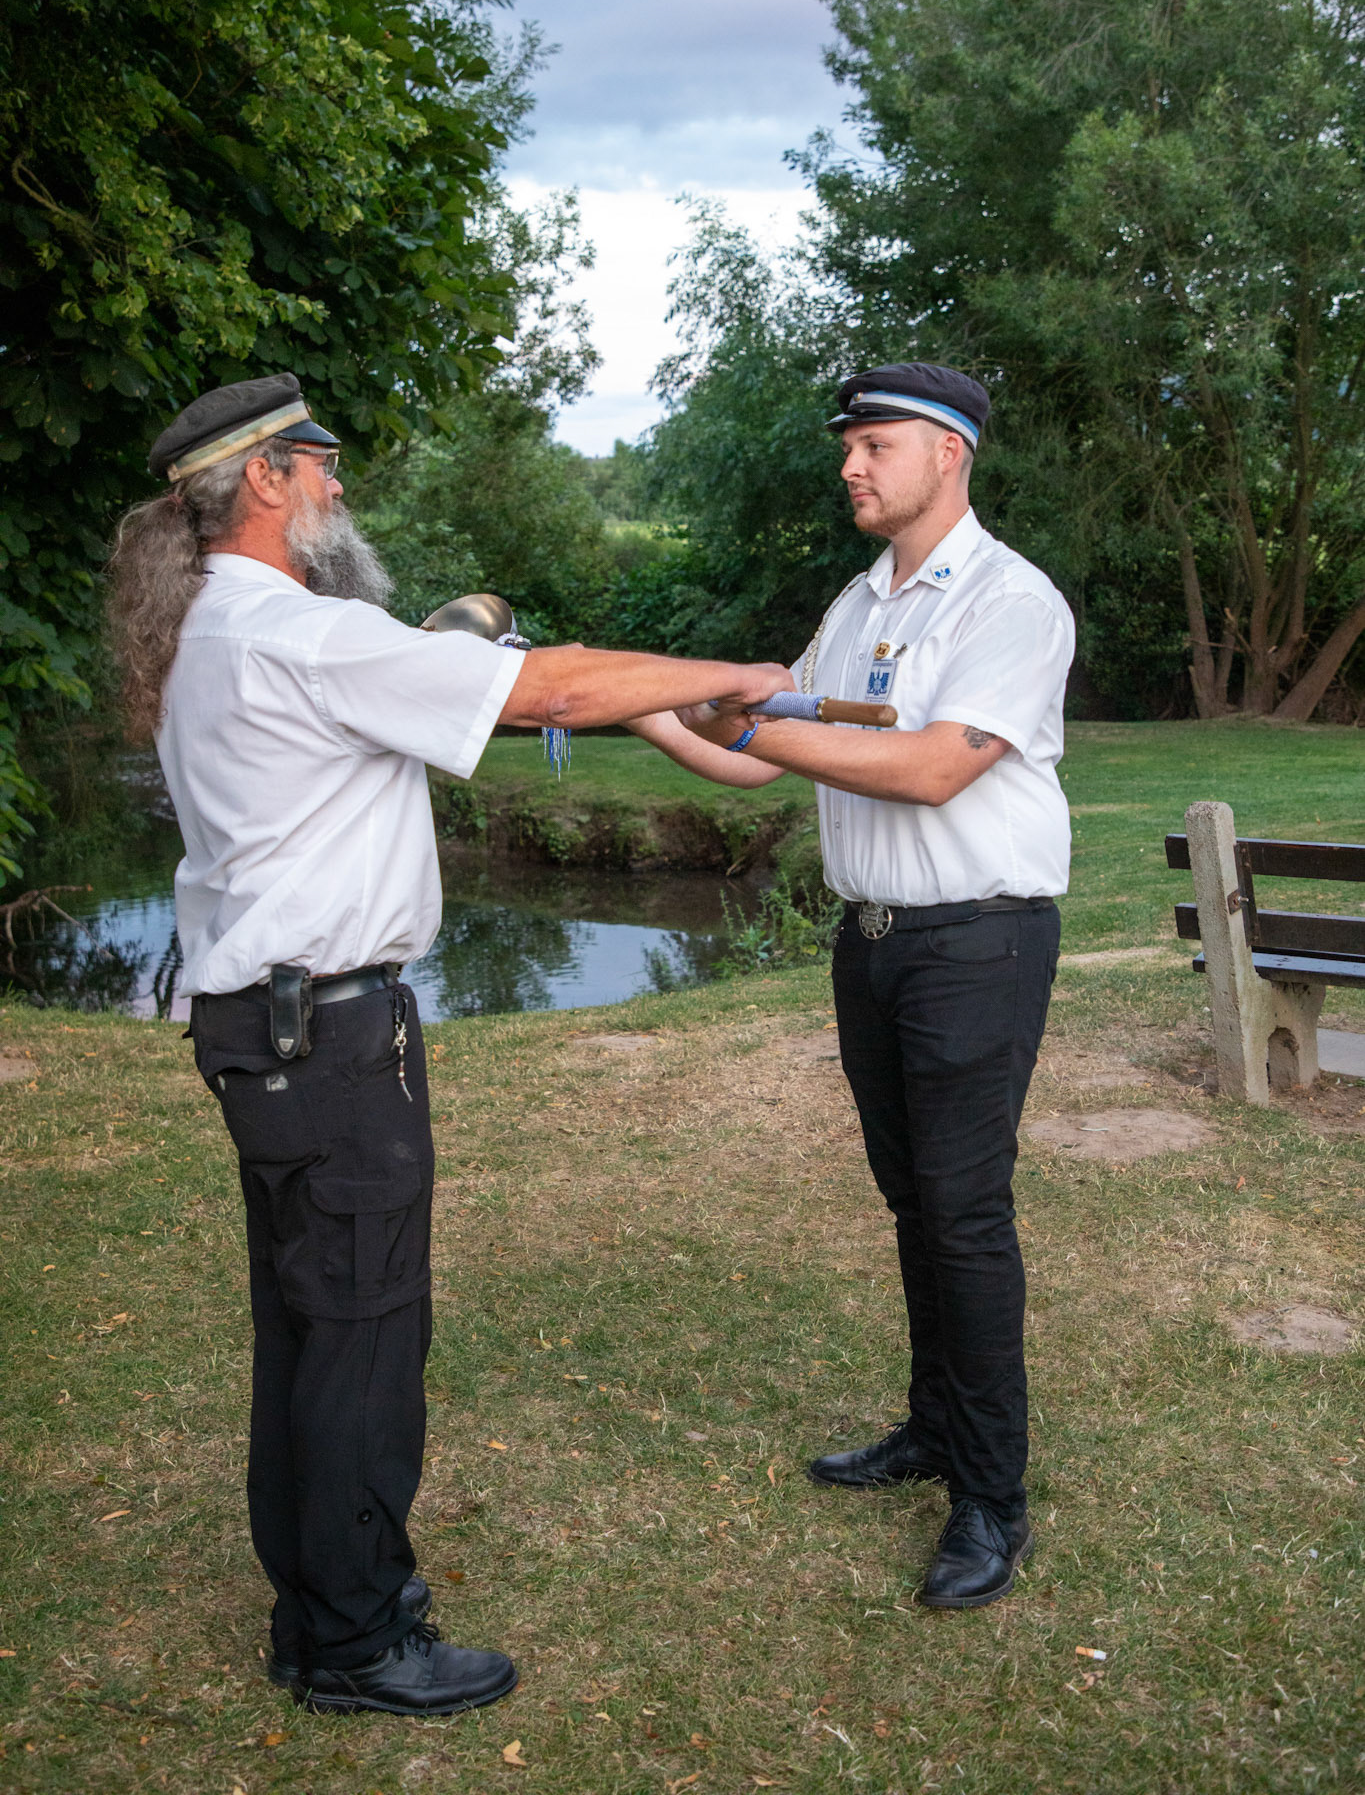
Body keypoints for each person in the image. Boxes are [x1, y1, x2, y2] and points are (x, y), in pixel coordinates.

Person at [106, 372, 791, 1714]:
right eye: (322, 463)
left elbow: (470, 691)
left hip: (266, 1033)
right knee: (362, 1336)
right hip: (331, 1039)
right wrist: (740, 676)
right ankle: (358, 1643)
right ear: (264, 480)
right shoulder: (301, 632)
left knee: (308, 1333)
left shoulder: (213, 631)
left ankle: (318, 1613)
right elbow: (553, 682)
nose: (339, 485)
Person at [629, 362, 1074, 1609]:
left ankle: (991, 1496)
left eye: (875, 443)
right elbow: (758, 760)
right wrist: (643, 706)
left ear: (949, 450)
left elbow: (932, 767)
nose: (850, 465)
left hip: (977, 942)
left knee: (964, 1211)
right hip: (872, 941)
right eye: (850, 445)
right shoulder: (858, 599)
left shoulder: (1010, 599)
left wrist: (744, 718)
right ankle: (934, 1426)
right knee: (913, 1201)